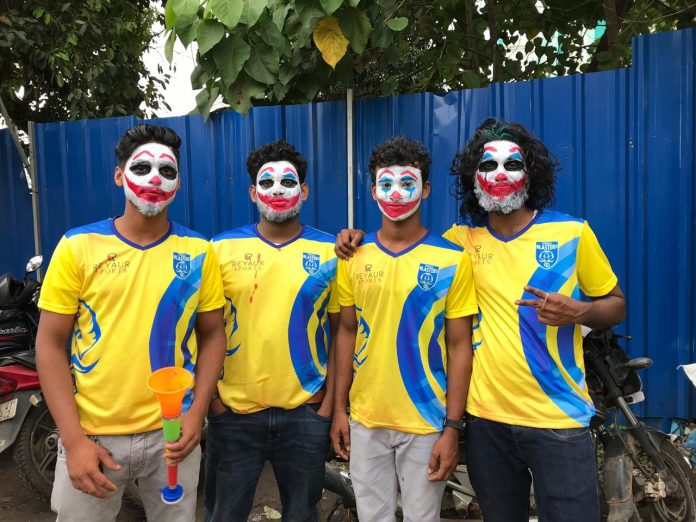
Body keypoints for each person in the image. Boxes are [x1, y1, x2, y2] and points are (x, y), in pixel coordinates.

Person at [335, 119, 627, 522]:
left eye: (512, 164)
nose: (500, 174)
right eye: (488, 166)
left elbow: (616, 304)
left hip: (559, 420)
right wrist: (353, 238)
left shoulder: (572, 233)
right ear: (474, 178)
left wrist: (581, 312)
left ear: (531, 172)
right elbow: (405, 247)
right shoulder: (459, 245)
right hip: (486, 424)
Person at [36, 124, 226, 521]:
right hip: (92, 436)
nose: (155, 178)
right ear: (119, 176)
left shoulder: (199, 252)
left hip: (173, 433)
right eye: (141, 168)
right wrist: (73, 440)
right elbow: (50, 345)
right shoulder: (77, 247)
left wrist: (197, 413)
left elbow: (212, 335)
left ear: (178, 183)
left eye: (167, 171)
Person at [330, 136, 477, 522]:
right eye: (386, 183)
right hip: (365, 419)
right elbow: (346, 332)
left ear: (425, 189)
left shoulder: (452, 260)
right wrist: (340, 411)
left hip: (427, 421)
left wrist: (453, 428)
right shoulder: (352, 256)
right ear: (373, 190)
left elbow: (460, 345)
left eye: (407, 183)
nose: (396, 193)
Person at [205, 139, 339, 522]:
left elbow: (341, 332)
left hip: (305, 414)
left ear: (304, 190)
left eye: (288, 181)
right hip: (233, 415)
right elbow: (203, 331)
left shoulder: (332, 252)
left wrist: (328, 406)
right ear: (252, 192)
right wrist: (213, 403)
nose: (277, 190)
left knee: (302, 515)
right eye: (267, 182)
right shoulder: (219, 250)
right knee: (224, 515)